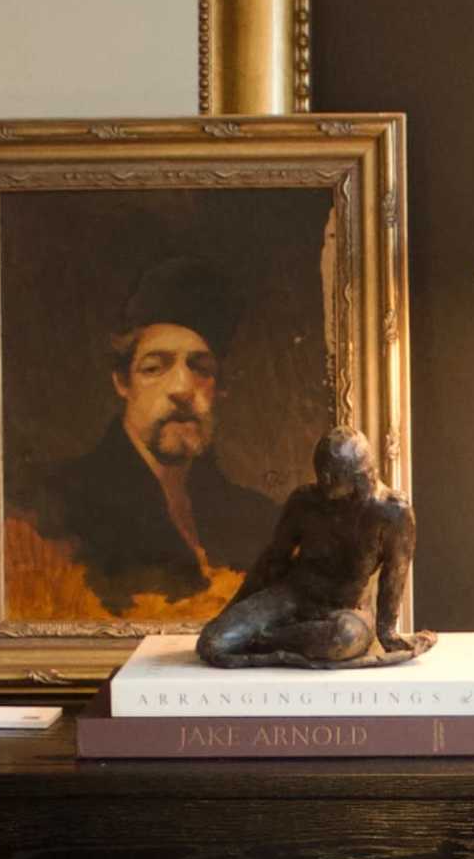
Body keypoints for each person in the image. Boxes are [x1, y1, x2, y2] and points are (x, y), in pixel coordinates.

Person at [20, 256, 281, 612]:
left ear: (220, 388)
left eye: (200, 368)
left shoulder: (258, 519)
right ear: (123, 382)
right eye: (155, 367)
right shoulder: (52, 508)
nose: (182, 388)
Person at [196, 429, 431, 669]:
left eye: (332, 475)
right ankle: (285, 643)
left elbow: (394, 578)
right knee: (212, 642)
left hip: (346, 608)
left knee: (344, 638)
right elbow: (273, 560)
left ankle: (264, 642)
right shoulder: (305, 501)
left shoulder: (392, 512)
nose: (324, 480)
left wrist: (387, 633)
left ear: (359, 473)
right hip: (292, 595)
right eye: (321, 472)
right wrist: (233, 609)